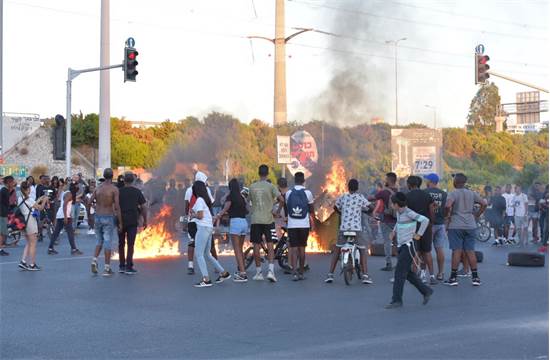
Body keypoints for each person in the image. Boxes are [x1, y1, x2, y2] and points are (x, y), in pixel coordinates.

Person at [385, 192, 433, 309]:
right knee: (407, 274)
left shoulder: (409, 212)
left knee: (399, 273)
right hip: (402, 245)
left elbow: (425, 220)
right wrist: (394, 232)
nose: (391, 205)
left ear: (397, 204)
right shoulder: (399, 212)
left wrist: (418, 234)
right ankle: (426, 291)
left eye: (392, 204)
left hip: (409, 246)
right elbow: (398, 222)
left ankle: (397, 300)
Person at [325, 179, 373, 285]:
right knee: (362, 250)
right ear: (357, 188)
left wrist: (341, 213)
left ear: (348, 187)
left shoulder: (343, 197)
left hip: (344, 228)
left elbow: (335, 207)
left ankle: (330, 274)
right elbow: (371, 207)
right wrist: (365, 211)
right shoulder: (360, 197)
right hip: (356, 229)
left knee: (337, 250)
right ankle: (365, 275)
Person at [444, 173, 486, 287]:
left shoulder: (453, 193)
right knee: (470, 251)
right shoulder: (472, 193)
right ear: (464, 182)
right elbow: (484, 203)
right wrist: (477, 214)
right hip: (470, 225)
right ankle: (476, 278)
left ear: (455, 182)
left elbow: (448, 205)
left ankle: (453, 278)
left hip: (456, 225)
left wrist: (447, 215)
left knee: (456, 251)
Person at [190, 180, 231, 287]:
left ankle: (206, 279)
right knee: (207, 254)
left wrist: (193, 215)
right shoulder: (204, 200)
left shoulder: (199, 200)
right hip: (208, 228)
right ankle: (223, 273)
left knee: (199, 254)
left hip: (203, 228)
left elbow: (200, 216)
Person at [249, 164, 284, 282]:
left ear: (258, 173)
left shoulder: (252, 187)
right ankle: (270, 271)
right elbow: (282, 200)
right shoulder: (271, 186)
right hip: (269, 220)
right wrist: (277, 212)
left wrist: (252, 211)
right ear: (267, 173)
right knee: (270, 244)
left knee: (256, 246)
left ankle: (258, 273)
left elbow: (248, 201)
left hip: (255, 220)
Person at [214, 178, 249, 282]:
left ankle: (242, 274)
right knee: (240, 248)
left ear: (230, 187)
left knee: (237, 249)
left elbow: (225, 207)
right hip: (244, 222)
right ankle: (241, 270)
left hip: (236, 223)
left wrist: (219, 215)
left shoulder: (231, 196)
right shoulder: (242, 197)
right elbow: (247, 209)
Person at [90, 168, 122, 276]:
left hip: (98, 216)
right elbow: (117, 206)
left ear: (103, 176)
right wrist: (120, 222)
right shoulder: (114, 189)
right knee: (108, 242)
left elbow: (89, 202)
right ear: (112, 176)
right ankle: (107, 268)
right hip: (108, 217)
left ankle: (94, 260)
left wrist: (94, 210)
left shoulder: (98, 188)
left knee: (99, 241)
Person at [184, 171, 215, 275]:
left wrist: (188, 217)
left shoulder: (189, 190)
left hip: (193, 220)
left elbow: (186, 205)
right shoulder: (206, 190)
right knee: (210, 245)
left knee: (192, 242)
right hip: (203, 221)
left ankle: (190, 266)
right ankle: (216, 266)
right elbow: (210, 203)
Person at [405, 175, 435, 285]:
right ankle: (431, 276)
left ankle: (415, 276)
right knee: (427, 252)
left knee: (415, 252)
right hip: (426, 227)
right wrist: (431, 223)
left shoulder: (406, 196)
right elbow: (431, 210)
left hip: (413, 227)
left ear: (409, 184)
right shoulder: (427, 195)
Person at [285, 172, 315, 281]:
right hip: (304, 224)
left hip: (292, 225)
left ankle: (294, 273)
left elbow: (287, 207)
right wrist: (313, 223)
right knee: (302, 249)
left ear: (294, 180)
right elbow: (311, 210)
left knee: (293, 249)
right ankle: (301, 272)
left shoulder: (288, 193)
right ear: (303, 181)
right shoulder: (308, 193)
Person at [118, 172, 147, 275]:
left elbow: (115, 206)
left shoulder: (119, 191)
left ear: (124, 181)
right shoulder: (137, 192)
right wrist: (145, 220)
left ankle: (121, 266)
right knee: (130, 244)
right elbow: (144, 207)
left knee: (121, 244)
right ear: (133, 181)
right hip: (132, 221)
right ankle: (129, 266)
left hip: (120, 221)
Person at [17, 181, 49, 271]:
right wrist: (45, 200)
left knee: (28, 243)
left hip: (24, 222)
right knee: (33, 244)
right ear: (28, 189)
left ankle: (23, 261)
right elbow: (40, 208)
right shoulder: (29, 199)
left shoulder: (21, 198)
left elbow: (31, 205)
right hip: (30, 221)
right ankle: (32, 264)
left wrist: (39, 199)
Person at [47, 181, 83, 256]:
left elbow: (67, 202)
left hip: (61, 215)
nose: (78, 188)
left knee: (56, 232)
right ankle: (73, 249)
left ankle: (50, 248)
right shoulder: (69, 194)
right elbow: (64, 205)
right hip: (64, 215)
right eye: (77, 187)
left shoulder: (67, 193)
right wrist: (66, 217)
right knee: (70, 233)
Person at [424, 173, 447, 281]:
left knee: (426, 249)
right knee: (439, 249)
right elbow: (447, 208)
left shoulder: (425, 192)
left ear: (430, 181)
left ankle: (424, 273)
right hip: (440, 223)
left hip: (428, 224)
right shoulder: (443, 194)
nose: (425, 181)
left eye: (426, 180)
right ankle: (441, 273)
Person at [373, 172, 398, 271]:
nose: (385, 180)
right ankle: (399, 263)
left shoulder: (384, 192)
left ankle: (388, 264)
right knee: (397, 243)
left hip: (386, 221)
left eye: (386, 179)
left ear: (389, 180)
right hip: (398, 221)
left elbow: (373, 198)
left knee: (387, 242)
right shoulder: (400, 191)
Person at [0, 176, 16, 256]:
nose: (13, 183)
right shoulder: (4, 190)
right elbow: (6, 202)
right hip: (2, 214)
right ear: (9, 182)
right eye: (12, 182)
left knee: (3, 232)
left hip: (3, 213)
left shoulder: (4, 190)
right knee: (3, 233)